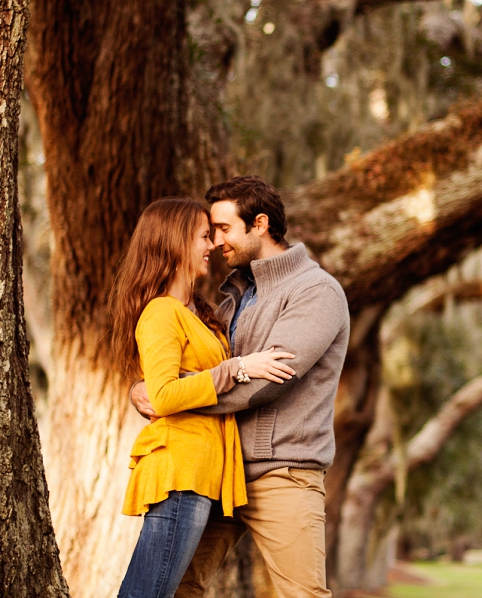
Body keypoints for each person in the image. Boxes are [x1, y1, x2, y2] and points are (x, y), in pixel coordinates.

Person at [131, 176, 350, 598]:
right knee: (175, 588)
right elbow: (183, 360)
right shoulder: (233, 296)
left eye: (224, 229)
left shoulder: (315, 291)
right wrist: (145, 388)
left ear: (260, 224)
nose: (215, 242)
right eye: (210, 232)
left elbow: (265, 383)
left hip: (283, 471)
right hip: (219, 469)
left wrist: (172, 397)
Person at [110, 197, 296, 598]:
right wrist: (238, 368)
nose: (211, 245)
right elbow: (162, 395)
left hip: (203, 472)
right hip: (182, 472)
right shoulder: (161, 312)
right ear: (175, 243)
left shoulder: (197, 312)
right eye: (202, 236)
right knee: (149, 592)